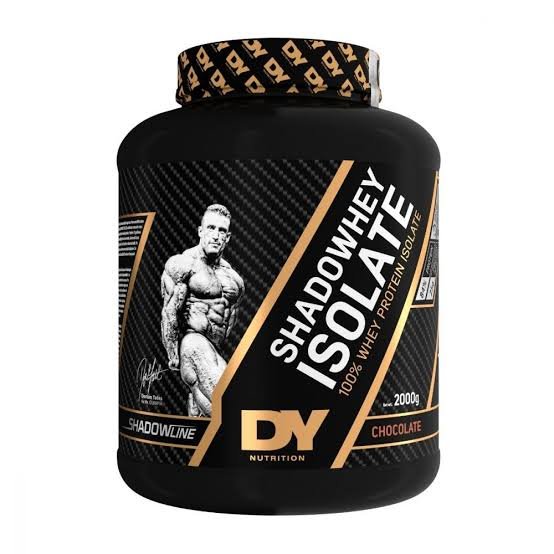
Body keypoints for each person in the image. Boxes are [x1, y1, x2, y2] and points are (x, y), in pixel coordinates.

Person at [161, 204, 244, 416]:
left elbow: (231, 318)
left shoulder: (234, 279)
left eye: (222, 230)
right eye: (211, 228)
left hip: (213, 351)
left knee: (210, 416)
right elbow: (169, 312)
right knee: (228, 403)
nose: (216, 235)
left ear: (227, 237)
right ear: (200, 231)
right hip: (192, 344)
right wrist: (173, 355)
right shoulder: (183, 265)